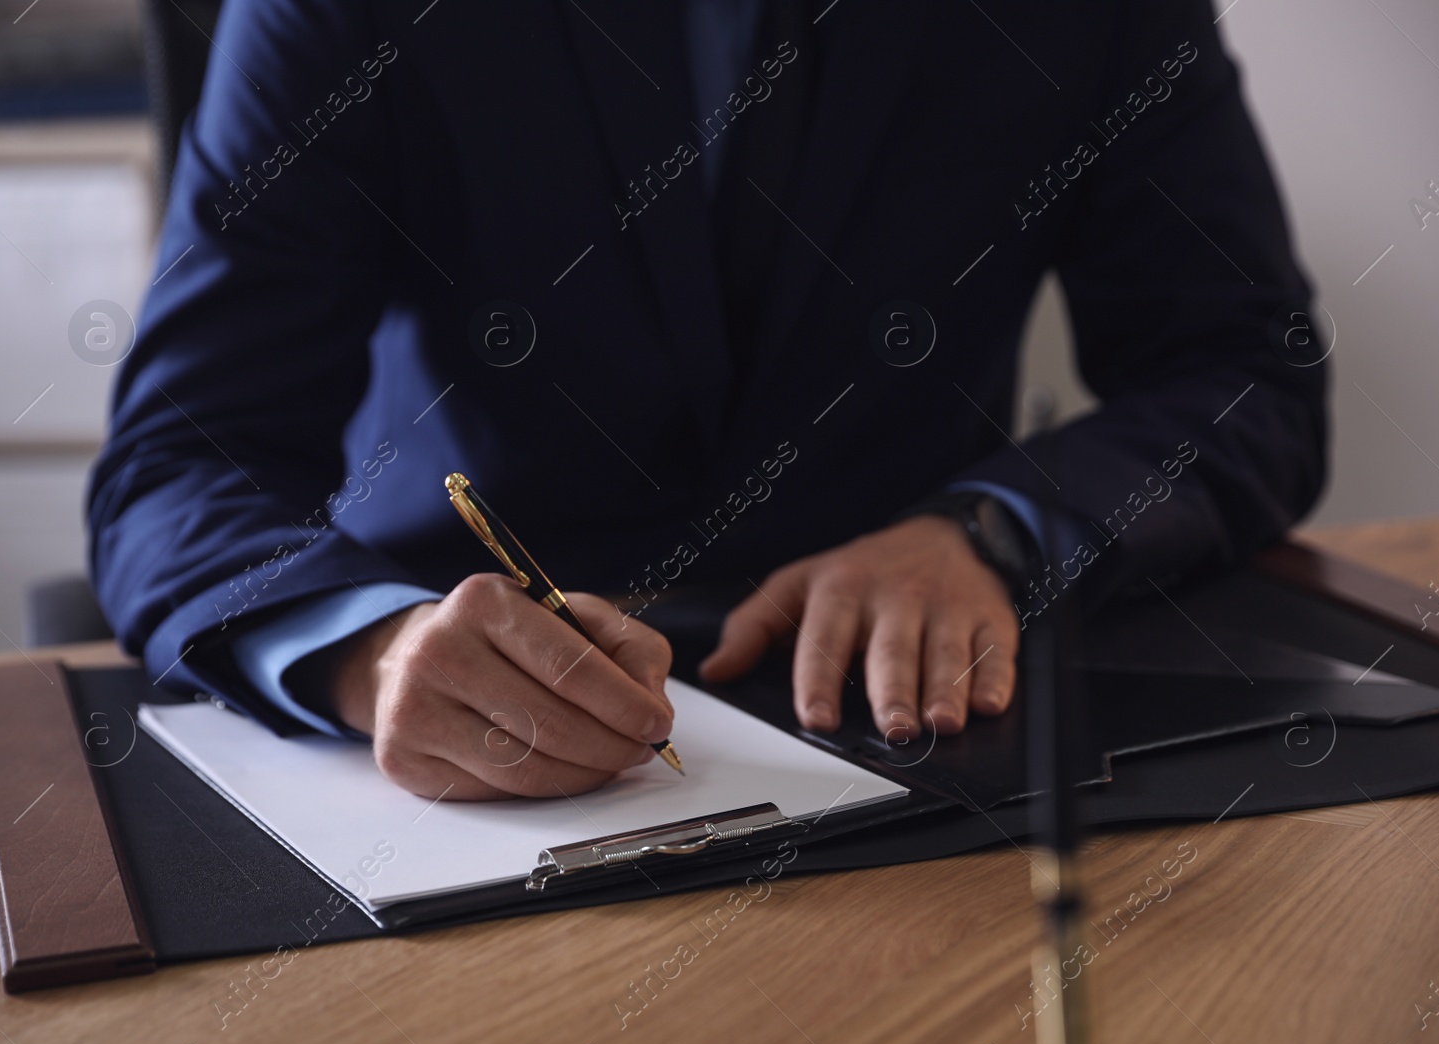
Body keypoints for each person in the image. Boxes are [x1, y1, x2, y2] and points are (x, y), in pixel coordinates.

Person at [88, 0, 1327, 800]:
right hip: (459, 726)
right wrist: (370, 644)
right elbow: (181, 459)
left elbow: (1243, 372)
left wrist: (996, 530)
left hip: (923, 736)